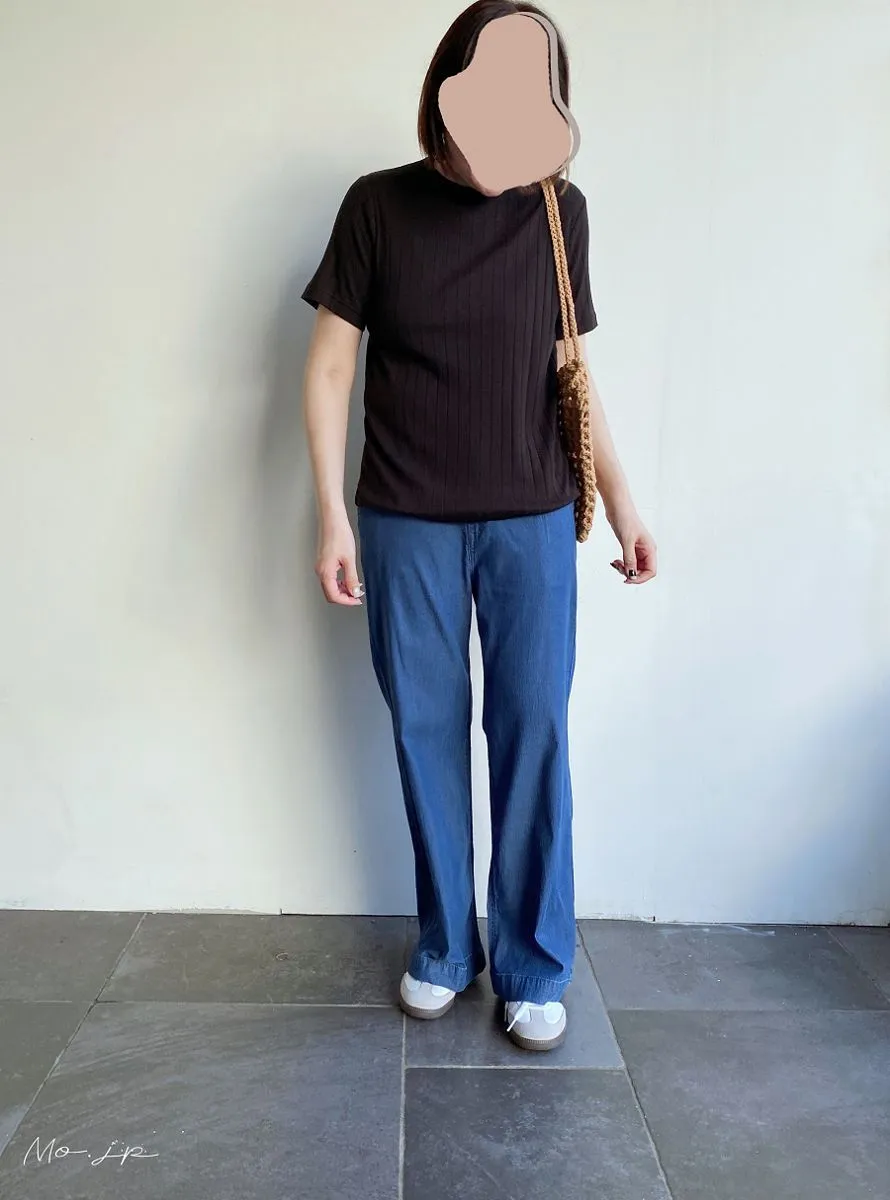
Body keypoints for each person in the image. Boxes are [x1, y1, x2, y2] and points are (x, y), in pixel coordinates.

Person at [301, 0, 656, 1052]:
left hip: (532, 517)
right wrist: (330, 514)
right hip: (402, 516)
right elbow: (331, 368)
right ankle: (446, 946)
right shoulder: (376, 206)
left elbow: (570, 371)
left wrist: (624, 506)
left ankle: (534, 962)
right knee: (424, 729)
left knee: (532, 731)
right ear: (446, 94)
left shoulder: (558, 212)